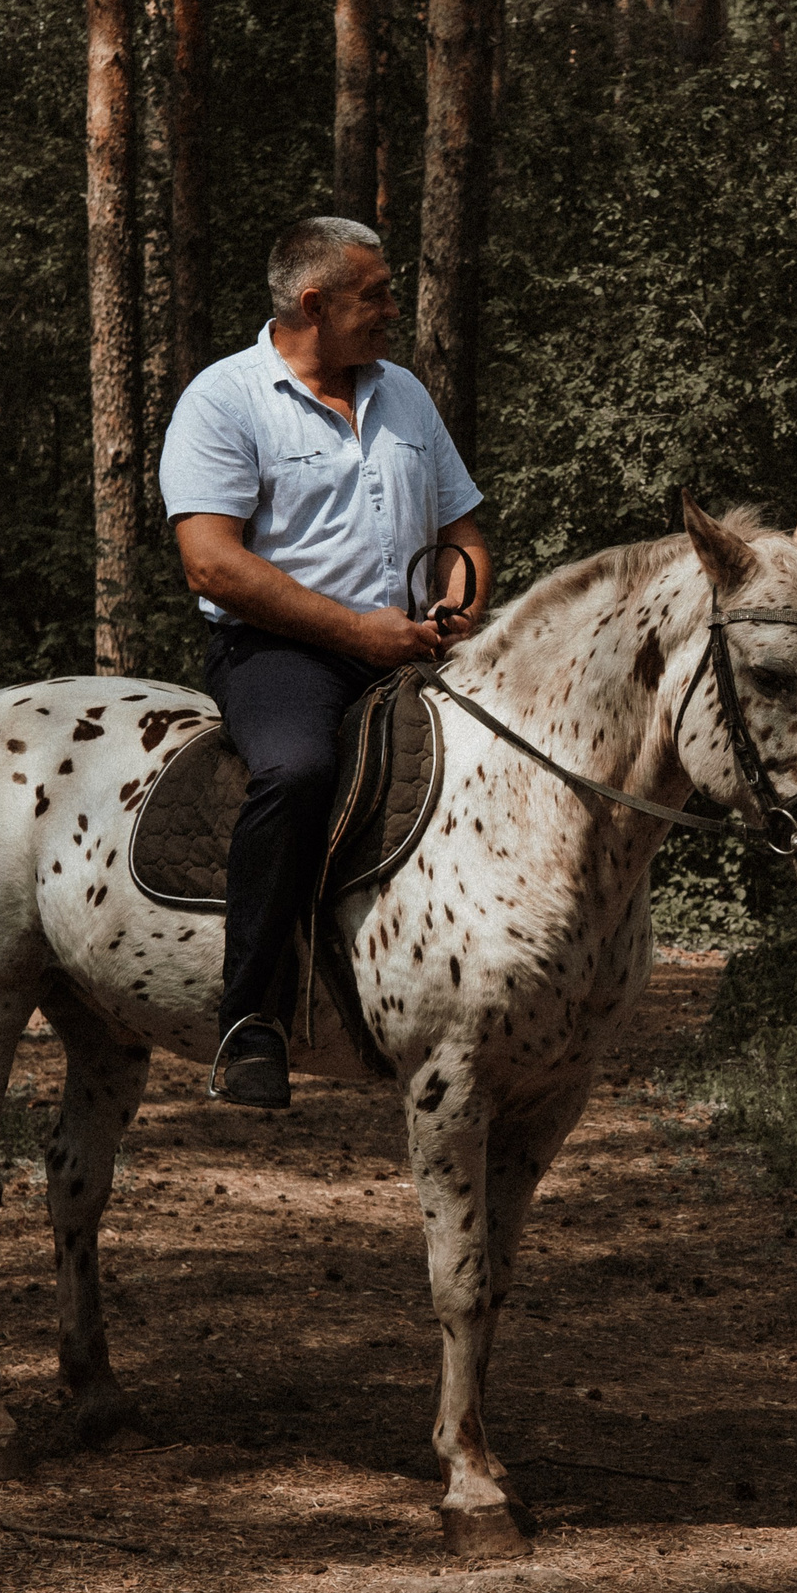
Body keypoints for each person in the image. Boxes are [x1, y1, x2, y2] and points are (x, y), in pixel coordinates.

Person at [160, 216, 494, 1110]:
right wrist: (356, 634)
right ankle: (249, 1018)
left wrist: (459, 604)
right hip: (281, 652)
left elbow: (463, 528)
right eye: (374, 294)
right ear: (314, 303)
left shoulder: (404, 394)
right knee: (297, 769)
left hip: (414, 644)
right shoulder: (224, 399)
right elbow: (210, 563)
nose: (393, 308)